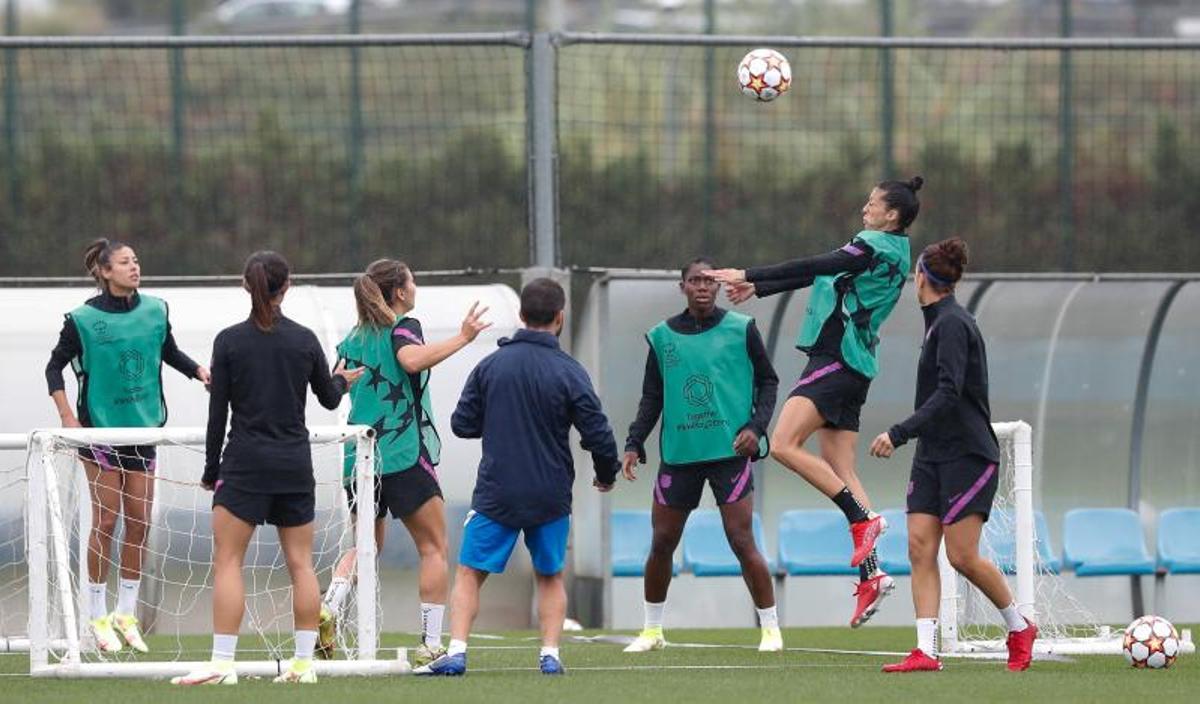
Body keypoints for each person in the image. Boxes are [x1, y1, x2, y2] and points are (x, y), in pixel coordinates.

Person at [706, 177, 922, 628]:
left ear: (893, 216)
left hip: (836, 358)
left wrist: (749, 274)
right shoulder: (888, 248)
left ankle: (862, 519)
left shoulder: (873, 244)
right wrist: (761, 290)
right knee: (841, 468)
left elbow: (816, 262)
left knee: (782, 444)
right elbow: (824, 271)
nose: (865, 208)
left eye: (873, 204)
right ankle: (872, 574)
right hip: (856, 364)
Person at [172, 251, 363, 686]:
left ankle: (223, 665)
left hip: (244, 467)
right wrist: (340, 379)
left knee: (228, 562)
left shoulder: (228, 342)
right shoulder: (303, 339)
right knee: (301, 564)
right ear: (286, 286)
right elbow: (330, 399)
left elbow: (217, 415)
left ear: (246, 285)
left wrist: (210, 470)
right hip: (294, 466)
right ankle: (302, 666)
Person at [416, 278, 620, 677]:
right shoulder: (569, 371)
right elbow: (597, 430)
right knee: (549, 574)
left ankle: (456, 652)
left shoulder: (491, 365)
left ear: (521, 316)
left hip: (498, 491)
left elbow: (462, 424)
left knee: (471, 572)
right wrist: (605, 472)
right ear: (560, 317)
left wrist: (502, 421)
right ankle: (549, 655)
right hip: (551, 493)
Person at [869, 238, 1037, 673]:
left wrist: (899, 432)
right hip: (933, 455)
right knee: (919, 547)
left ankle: (1019, 627)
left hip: (967, 455)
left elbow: (949, 393)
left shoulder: (953, 324)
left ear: (920, 275)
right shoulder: (936, 323)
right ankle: (925, 651)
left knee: (962, 556)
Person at [319, 259, 490, 664]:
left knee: (364, 545)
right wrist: (464, 338)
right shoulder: (404, 327)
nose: (415, 287)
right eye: (412, 280)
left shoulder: (352, 339)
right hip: (402, 454)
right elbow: (411, 361)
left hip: (359, 458)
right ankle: (431, 644)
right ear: (398, 292)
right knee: (434, 547)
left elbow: (332, 387)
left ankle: (328, 605)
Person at [45, 238, 210, 655]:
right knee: (106, 521)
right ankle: (97, 614)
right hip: (99, 433)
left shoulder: (156, 310)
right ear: (104, 271)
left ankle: (126, 613)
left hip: (143, 431)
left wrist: (198, 371)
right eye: (124, 262)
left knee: (139, 522)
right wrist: (67, 416)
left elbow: (168, 351)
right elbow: (53, 368)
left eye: (136, 260)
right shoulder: (81, 319)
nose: (134, 267)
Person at [621, 258, 782, 653]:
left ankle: (771, 630)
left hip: (730, 453)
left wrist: (756, 428)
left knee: (741, 539)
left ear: (719, 287)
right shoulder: (661, 337)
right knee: (661, 541)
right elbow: (652, 397)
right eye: (695, 281)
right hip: (680, 454)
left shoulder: (741, 328)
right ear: (683, 288)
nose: (703, 287)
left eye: (710, 281)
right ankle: (652, 631)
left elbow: (768, 381)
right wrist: (634, 441)